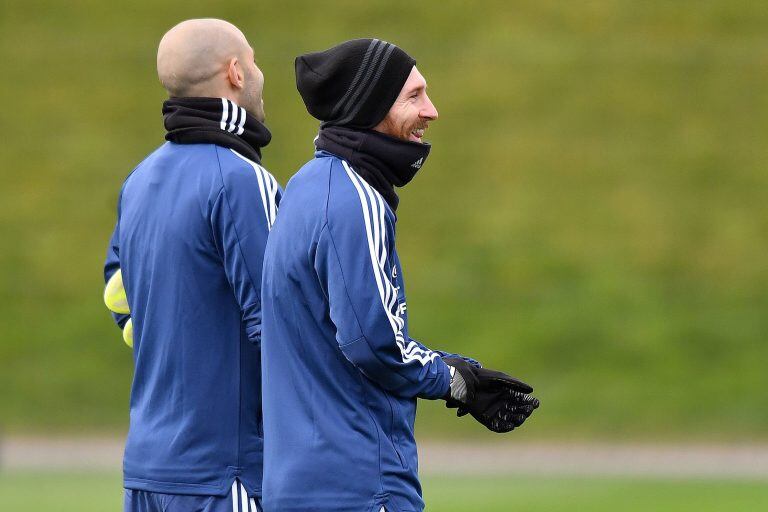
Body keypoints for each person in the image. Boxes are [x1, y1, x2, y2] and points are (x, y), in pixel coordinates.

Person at [260, 38, 539, 512]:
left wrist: (455, 370)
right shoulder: (357, 199)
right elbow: (374, 344)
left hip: (297, 481)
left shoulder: (308, 184)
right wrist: (457, 380)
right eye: (413, 96)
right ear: (368, 107)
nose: (432, 111)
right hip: (361, 483)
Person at [103, 18, 280, 512]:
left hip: (146, 472)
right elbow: (281, 327)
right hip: (226, 474)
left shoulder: (137, 182)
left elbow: (119, 294)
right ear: (236, 72)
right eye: (254, 59)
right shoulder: (243, 180)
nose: (260, 73)